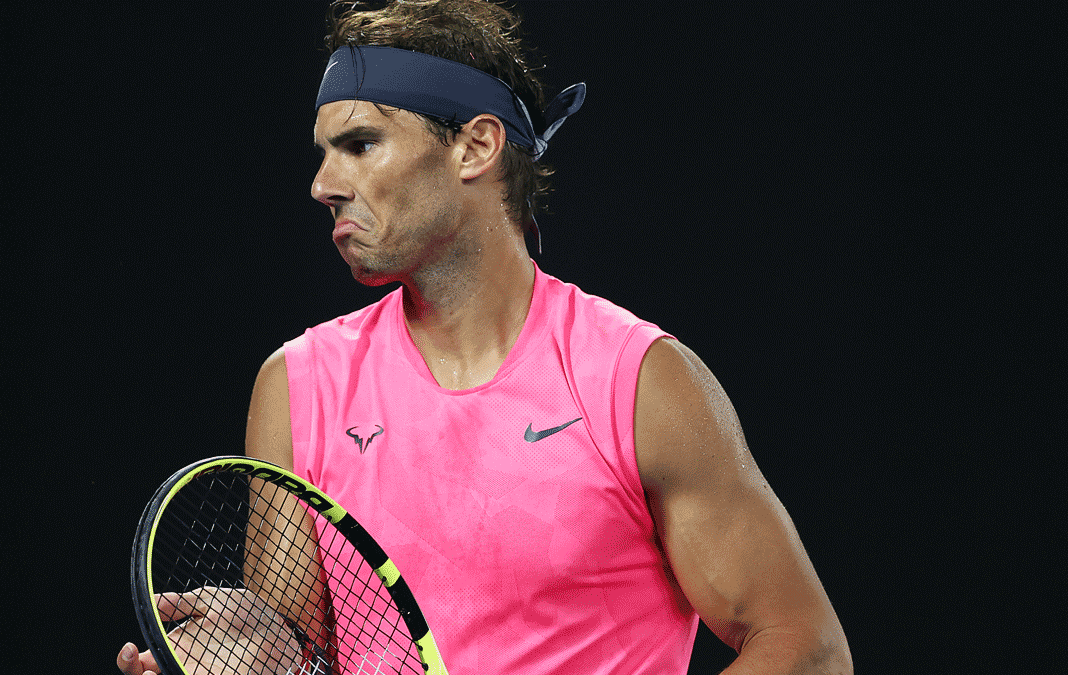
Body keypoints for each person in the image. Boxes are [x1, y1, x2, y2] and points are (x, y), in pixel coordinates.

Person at [118, 1, 852, 673]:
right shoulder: (296, 387)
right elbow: (298, 647)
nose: (324, 183)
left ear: (474, 147)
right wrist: (258, 659)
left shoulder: (640, 383)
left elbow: (806, 646)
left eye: (361, 144)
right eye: (323, 151)